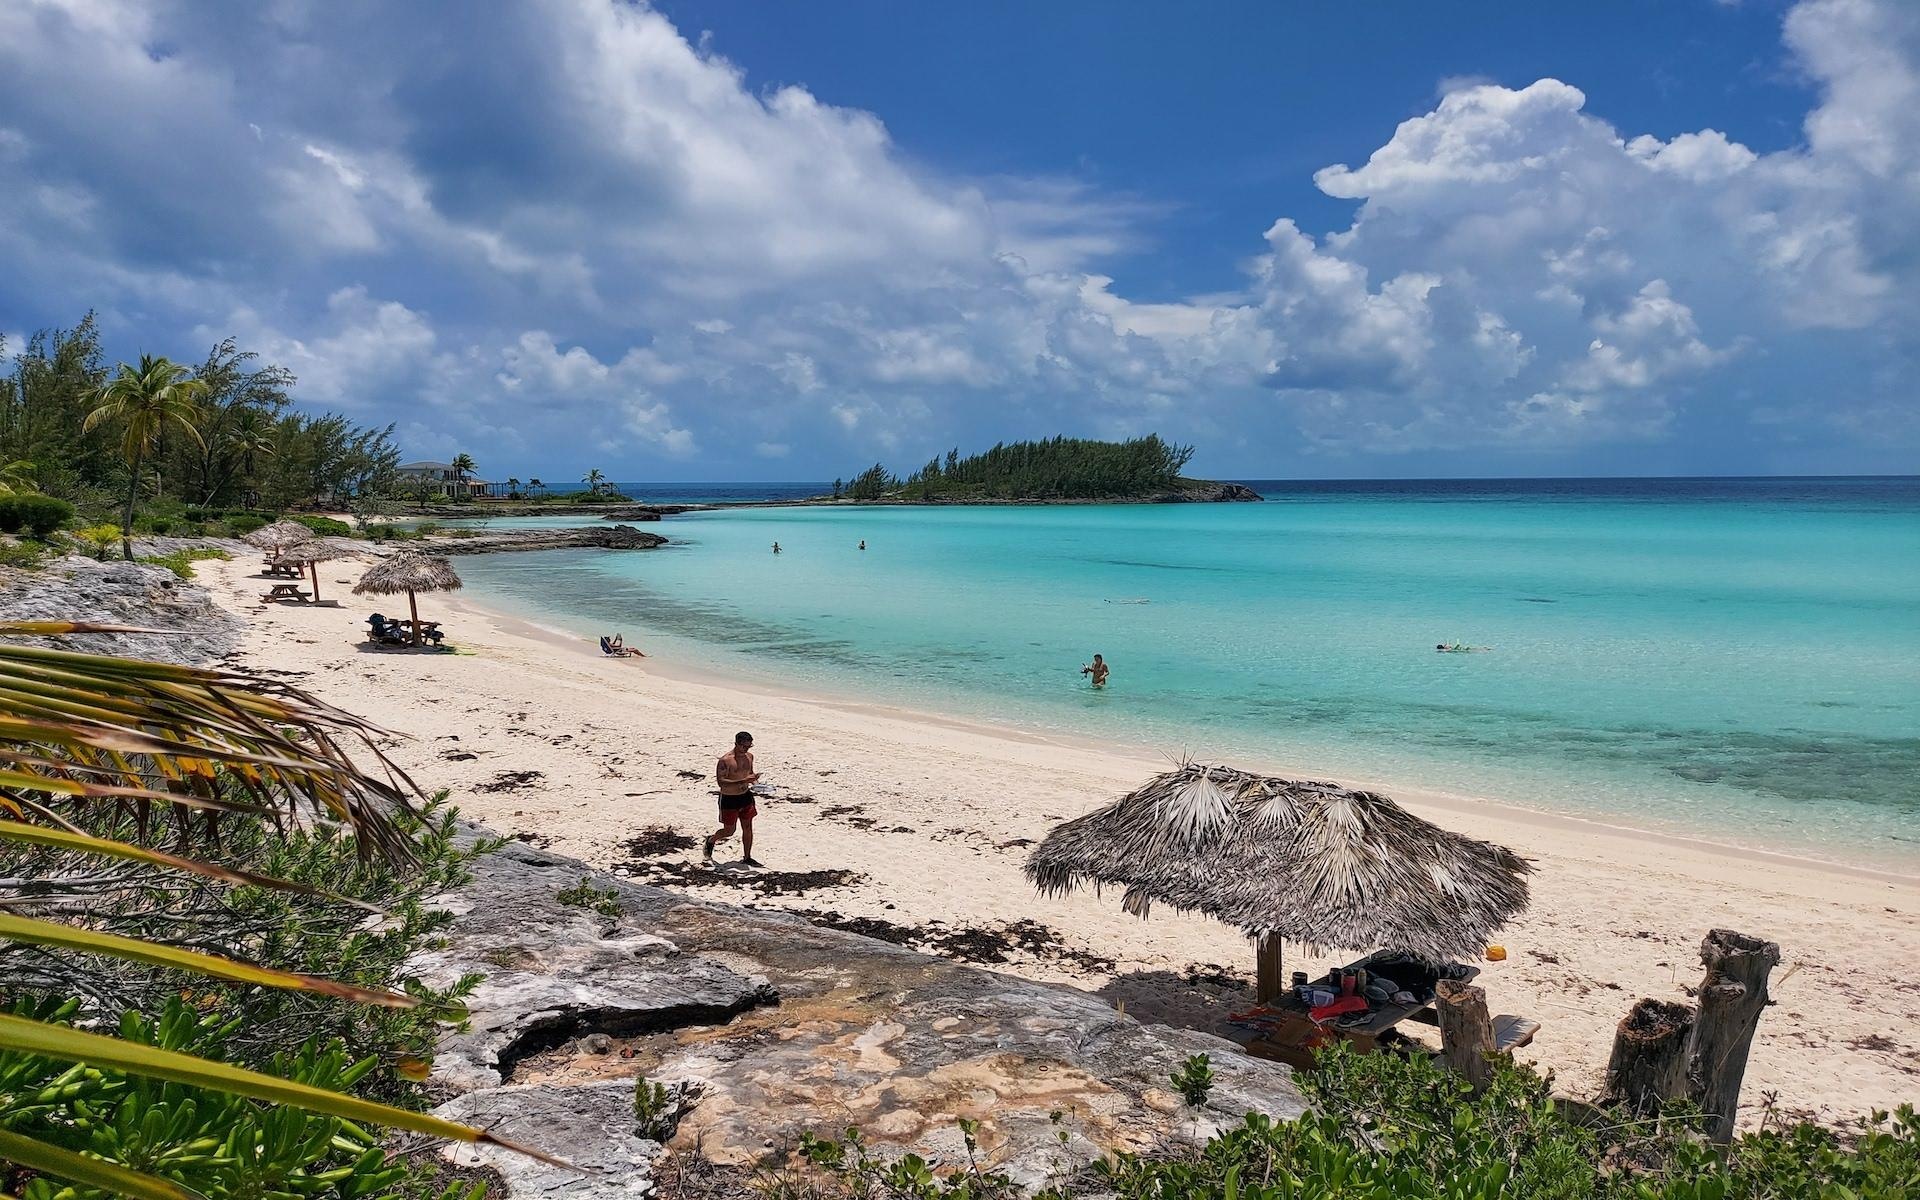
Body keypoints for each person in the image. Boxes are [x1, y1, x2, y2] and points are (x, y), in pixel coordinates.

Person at [704, 730, 763, 866]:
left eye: (749, 746)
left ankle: (747, 857)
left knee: (747, 827)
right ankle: (711, 840)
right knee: (729, 831)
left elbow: (749, 773)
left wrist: (756, 782)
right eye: (744, 746)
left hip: (746, 796)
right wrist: (743, 780)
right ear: (736, 744)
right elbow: (721, 782)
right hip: (729, 799)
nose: (746, 749)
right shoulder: (725, 760)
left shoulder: (750, 757)